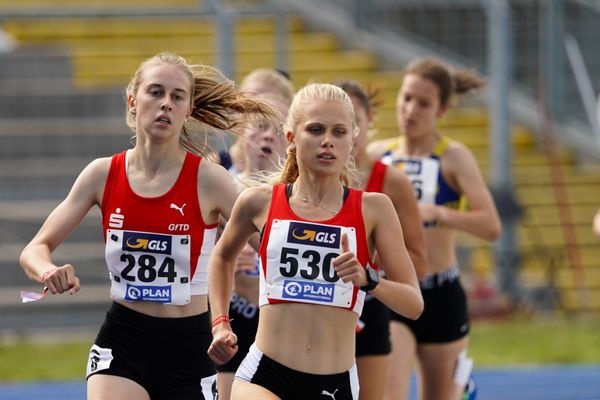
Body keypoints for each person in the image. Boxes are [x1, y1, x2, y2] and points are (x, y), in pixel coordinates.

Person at [19, 52, 278, 400]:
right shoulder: (102, 174)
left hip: (189, 348)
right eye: (155, 92)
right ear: (133, 100)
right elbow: (34, 249)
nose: (166, 104)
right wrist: (48, 270)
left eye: (177, 96)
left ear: (188, 109)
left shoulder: (210, 181)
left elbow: (274, 245)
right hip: (123, 342)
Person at [207, 83, 424, 400]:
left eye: (339, 132)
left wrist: (369, 279)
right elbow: (221, 257)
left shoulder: (374, 209)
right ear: (291, 138)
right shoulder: (258, 202)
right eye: (316, 129)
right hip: (265, 374)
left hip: (334, 383)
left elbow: (414, 304)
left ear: (352, 140)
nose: (327, 141)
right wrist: (221, 323)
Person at [368, 58, 501, 400]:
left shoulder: (454, 157)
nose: (411, 110)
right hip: (395, 292)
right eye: (406, 98)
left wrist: (441, 212)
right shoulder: (377, 155)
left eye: (423, 103)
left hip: (441, 294)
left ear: (442, 110)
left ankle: (462, 387)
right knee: (390, 392)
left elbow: (491, 225)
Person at [334, 80, 427, 400]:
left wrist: (369, 271)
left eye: (351, 121)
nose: (341, 134)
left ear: (368, 120)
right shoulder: (303, 179)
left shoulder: (391, 182)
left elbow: (418, 260)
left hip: (371, 305)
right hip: (319, 308)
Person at [215, 89, 292, 400]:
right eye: (260, 126)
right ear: (240, 134)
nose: (268, 136)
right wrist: (226, 265)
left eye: (278, 129)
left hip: (283, 327)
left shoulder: (300, 196)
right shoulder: (218, 187)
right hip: (231, 325)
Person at [220, 68, 295, 175]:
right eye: (250, 101)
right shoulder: (215, 165)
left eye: (270, 100)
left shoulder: (299, 177)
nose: (260, 108)